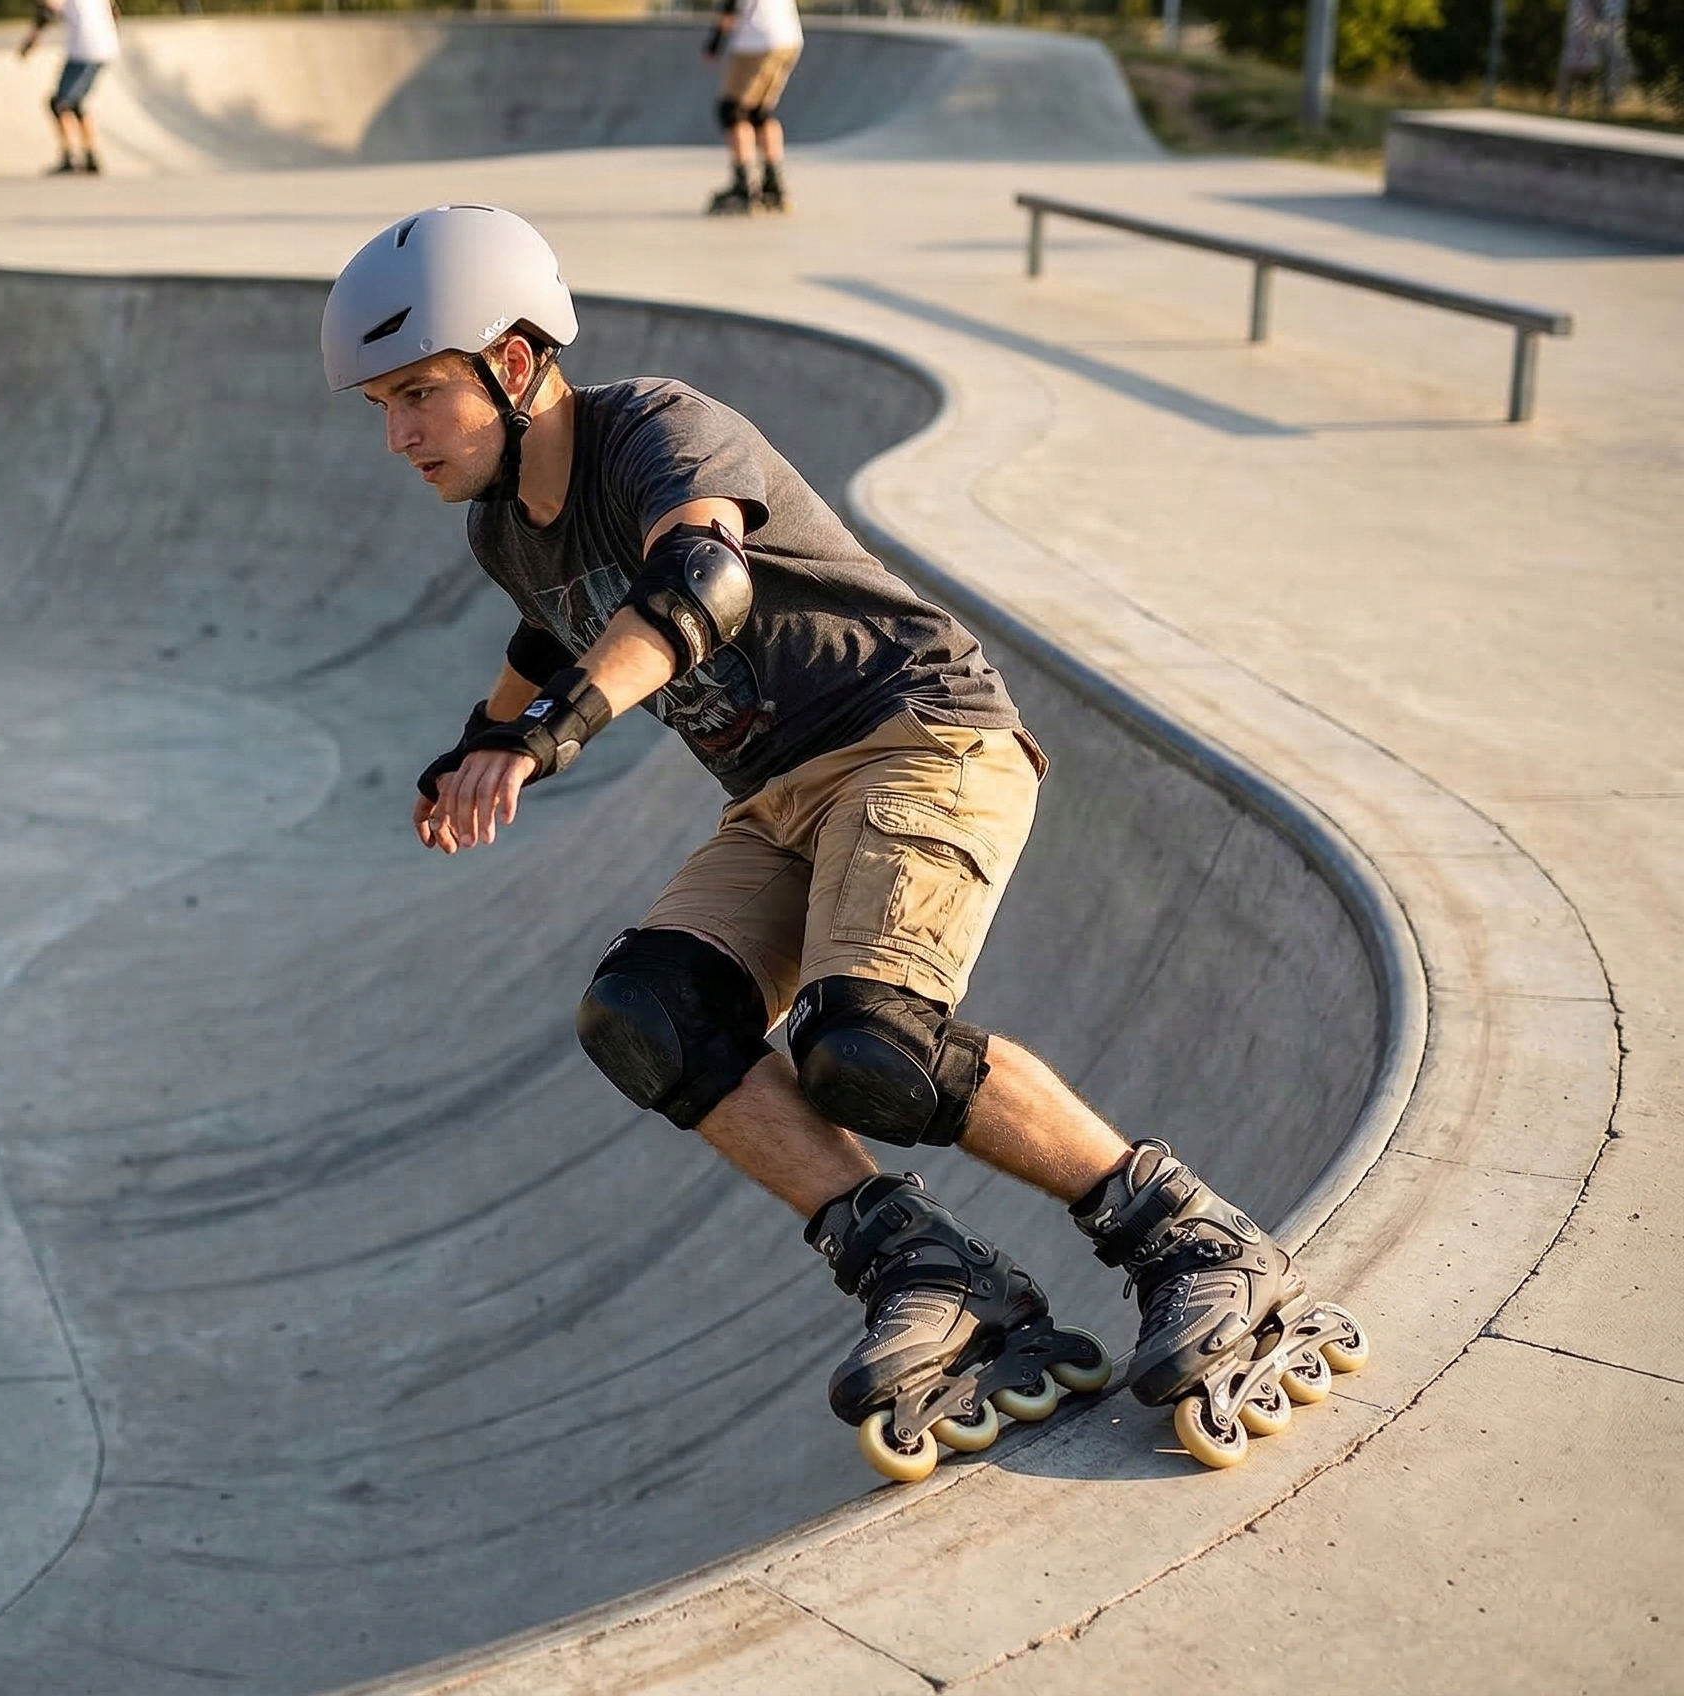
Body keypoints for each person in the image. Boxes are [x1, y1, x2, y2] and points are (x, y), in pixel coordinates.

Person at [320, 205, 1366, 1479]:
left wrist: (548, 740)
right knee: (646, 1014)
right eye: (380, 404)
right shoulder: (500, 526)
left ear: (522, 361)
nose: (398, 436)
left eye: (421, 392)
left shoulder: (656, 426)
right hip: (776, 798)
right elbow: (546, 629)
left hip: (918, 734)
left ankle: (1191, 1242)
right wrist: (471, 741)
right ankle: (927, 1269)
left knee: (867, 1042)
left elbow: (699, 583)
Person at [701, 0, 803, 214]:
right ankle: (773, 185)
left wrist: (714, 43)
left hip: (756, 42)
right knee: (760, 113)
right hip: (788, 36)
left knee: (733, 112)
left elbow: (730, 7)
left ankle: (743, 187)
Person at [18, 0, 119, 176]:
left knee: (59, 103)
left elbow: (46, 11)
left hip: (86, 49)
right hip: (100, 47)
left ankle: (69, 157)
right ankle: (90, 156)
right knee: (75, 103)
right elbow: (114, 9)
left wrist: (32, 38)